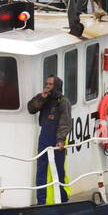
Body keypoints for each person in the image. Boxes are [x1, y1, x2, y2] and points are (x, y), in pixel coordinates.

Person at [27, 74, 71, 203]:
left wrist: (61, 139)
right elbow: (31, 108)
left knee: (58, 169)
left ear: (57, 86)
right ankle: (41, 201)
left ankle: (62, 199)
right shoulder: (43, 99)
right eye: (46, 84)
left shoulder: (63, 102)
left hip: (57, 138)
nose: (47, 86)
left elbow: (65, 123)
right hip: (44, 136)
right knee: (41, 168)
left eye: (50, 84)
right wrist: (42, 97)